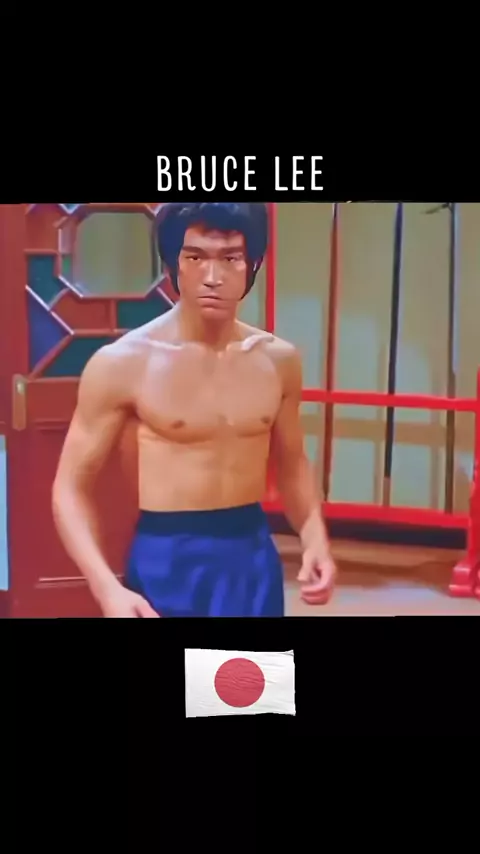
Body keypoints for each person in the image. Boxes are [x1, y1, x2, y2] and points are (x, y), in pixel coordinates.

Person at [52, 202, 336, 617]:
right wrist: (106, 588)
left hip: (251, 554)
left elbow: (292, 463)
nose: (213, 277)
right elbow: (70, 489)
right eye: (196, 257)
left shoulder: (279, 360)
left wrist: (314, 538)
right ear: (174, 264)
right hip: (168, 558)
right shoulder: (123, 363)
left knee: (253, 663)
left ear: (252, 265)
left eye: (230, 258)